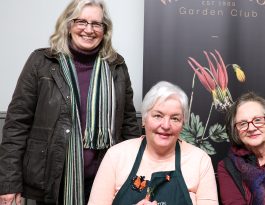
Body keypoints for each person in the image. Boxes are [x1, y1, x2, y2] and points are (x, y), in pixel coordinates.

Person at [0, 0, 140, 204]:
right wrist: (9, 183)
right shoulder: (42, 62)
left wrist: (136, 176)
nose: (89, 30)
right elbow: (16, 125)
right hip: (53, 180)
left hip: (105, 180)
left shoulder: (116, 65)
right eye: (81, 21)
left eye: (96, 24)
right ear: (68, 24)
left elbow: (128, 125)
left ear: (105, 29)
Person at [88, 81, 219, 205]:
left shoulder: (200, 161)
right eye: (158, 116)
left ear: (182, 123)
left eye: (175, 118)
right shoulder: (116, 156)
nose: (166, 125)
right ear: (144, 119)